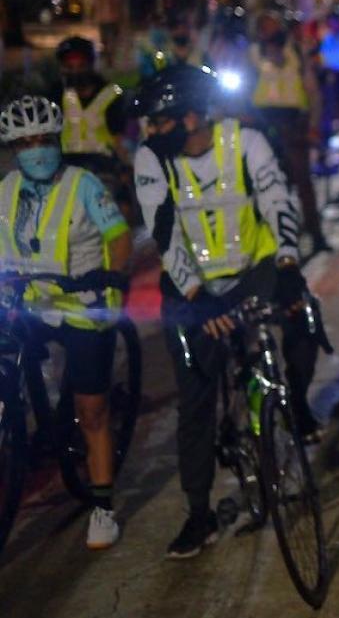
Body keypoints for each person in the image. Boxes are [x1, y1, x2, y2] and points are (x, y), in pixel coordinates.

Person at [132, 64, 319, 558]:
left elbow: (278, 198)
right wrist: (198, 296)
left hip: (251, 270)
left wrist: (287, 262)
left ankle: (295, 408)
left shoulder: (247, 142)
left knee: (305, 315)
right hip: (190, 290)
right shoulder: (151, 159)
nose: (151, 132)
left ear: (192, 117)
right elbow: (163, 232)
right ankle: (199, 515)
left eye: (159, 120)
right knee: (195, 400)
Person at [0, 95, 132, 550]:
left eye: (44, 140)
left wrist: (112, 281)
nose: (37, 149)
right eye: (27, 142)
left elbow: (117, 235)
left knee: (91, 411)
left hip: (81, 305)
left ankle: (102, 506)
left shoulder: (84, 185)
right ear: (14, 149)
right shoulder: (5, 191)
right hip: (27, 306)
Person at [248, 11, 327, 254]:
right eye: (264, 27)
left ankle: (315, 235)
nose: (268, 32)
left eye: (272, 26)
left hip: (294, 125)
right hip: (263, 126)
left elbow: (312, 92)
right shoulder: (251, 56)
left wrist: (313, 125)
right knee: (261, 184)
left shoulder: (296, 54)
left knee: (302, 181)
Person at [54, 37, 131, 186]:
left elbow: (120, 138)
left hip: (104, 166)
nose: (75, 71)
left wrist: (125, 167)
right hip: (66, 165)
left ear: (91, 65)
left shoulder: (111, 94)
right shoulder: (56, 93)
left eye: (81, 65)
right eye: (69, 66)